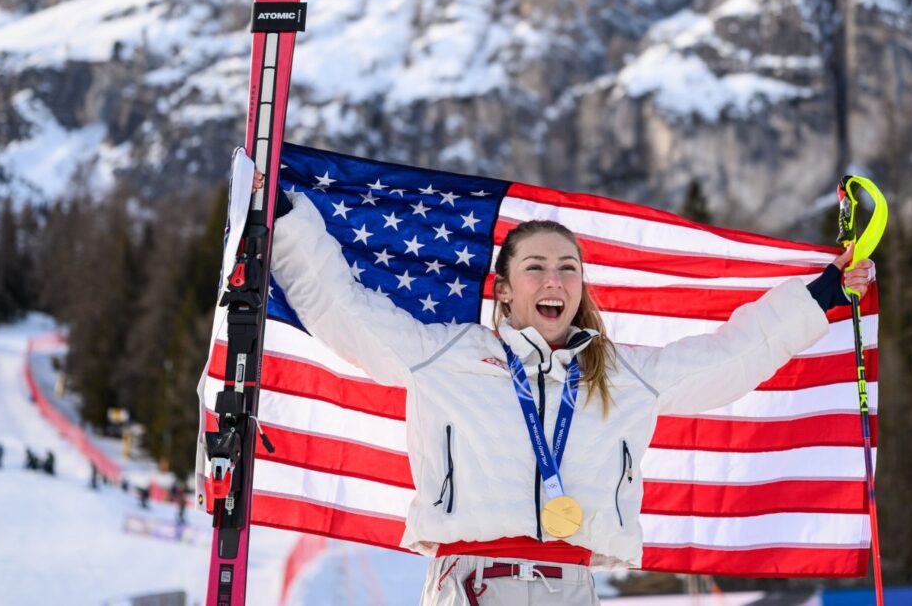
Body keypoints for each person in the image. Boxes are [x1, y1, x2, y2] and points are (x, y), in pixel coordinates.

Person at [265, 175, 875, 606]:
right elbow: (346, 311)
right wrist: (286, 221)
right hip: (470, 585)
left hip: (574, 588)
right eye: (535, 267)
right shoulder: (447, 356)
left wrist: (821, 296)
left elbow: (731, 356)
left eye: (568, 269)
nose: (553, 280)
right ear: (505, 290)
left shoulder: (623, 374)